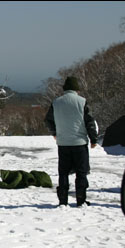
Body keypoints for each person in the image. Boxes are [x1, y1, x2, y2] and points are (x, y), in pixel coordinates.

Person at [45, 76, 98, 207]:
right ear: (76, 89)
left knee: (63, 173)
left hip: (63, 143)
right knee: (81, 172)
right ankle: (81, 200)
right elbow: (89, 121)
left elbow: (48, 120)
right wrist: (93, 139)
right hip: (79, 143)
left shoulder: (56, 102)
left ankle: (63, 201)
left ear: (65, 89)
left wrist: (55, 133)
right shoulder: (82, 101)